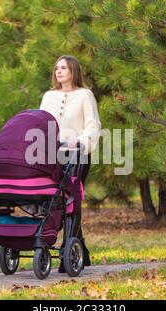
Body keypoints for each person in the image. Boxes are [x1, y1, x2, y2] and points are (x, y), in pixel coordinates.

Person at [39, 55, 101, 272]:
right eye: (56, 68)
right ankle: (79, 250)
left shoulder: (85, 95)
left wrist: (81, 141)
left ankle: (68, 247)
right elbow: (41, 122)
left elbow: (93, 125)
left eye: (63, 68)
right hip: (53, 155)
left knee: (72, 198)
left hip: (78, 154)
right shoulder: (49, 96)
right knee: (57, 201)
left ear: (73, 70)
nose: (58, 71)